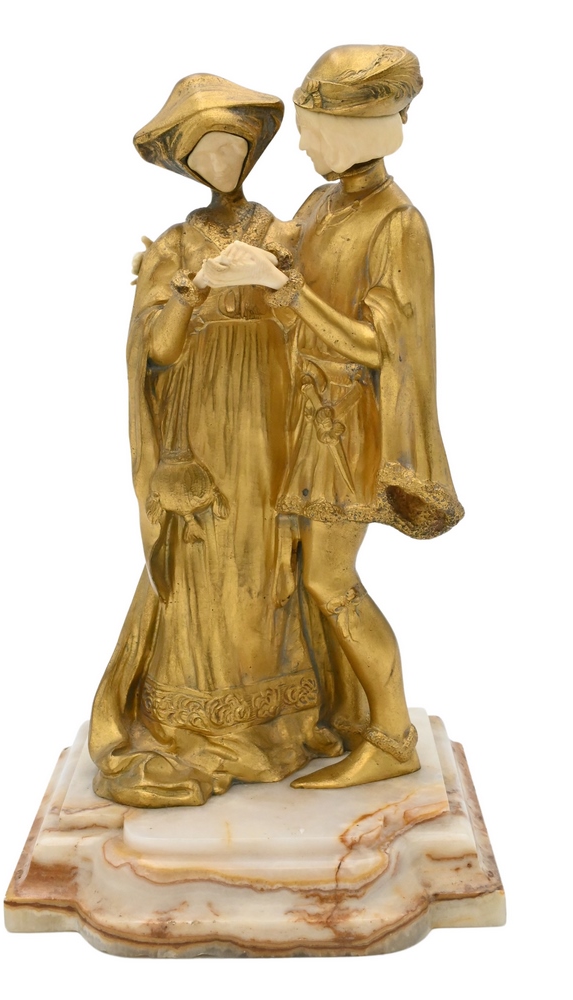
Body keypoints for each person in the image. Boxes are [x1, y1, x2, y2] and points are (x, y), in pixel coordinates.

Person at [209, 46, 464, 788]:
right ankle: (335, 709)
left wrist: (284, 292)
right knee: (294, 573)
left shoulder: (397, 223)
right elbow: (276, 253)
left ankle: (391, 736)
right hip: (297, 413)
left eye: (311, 131)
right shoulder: (324, 203)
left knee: (329, 581)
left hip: (343, 428)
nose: (300, 145)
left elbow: (382, 346)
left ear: (354, 131)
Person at [88, 74, 344, 808]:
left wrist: (274, 287)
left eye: (231, 147)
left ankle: (277, 717)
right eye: (206, 153)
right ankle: (197, 712)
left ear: (250, 152)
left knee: (269, 552)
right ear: (189, 165)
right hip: (198, 420)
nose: (221, 163)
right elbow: (157, 350)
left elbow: (313, 322)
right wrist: (191, 290)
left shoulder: (285, 232)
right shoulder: (175, 244)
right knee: (204, 552)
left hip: (270, 412)